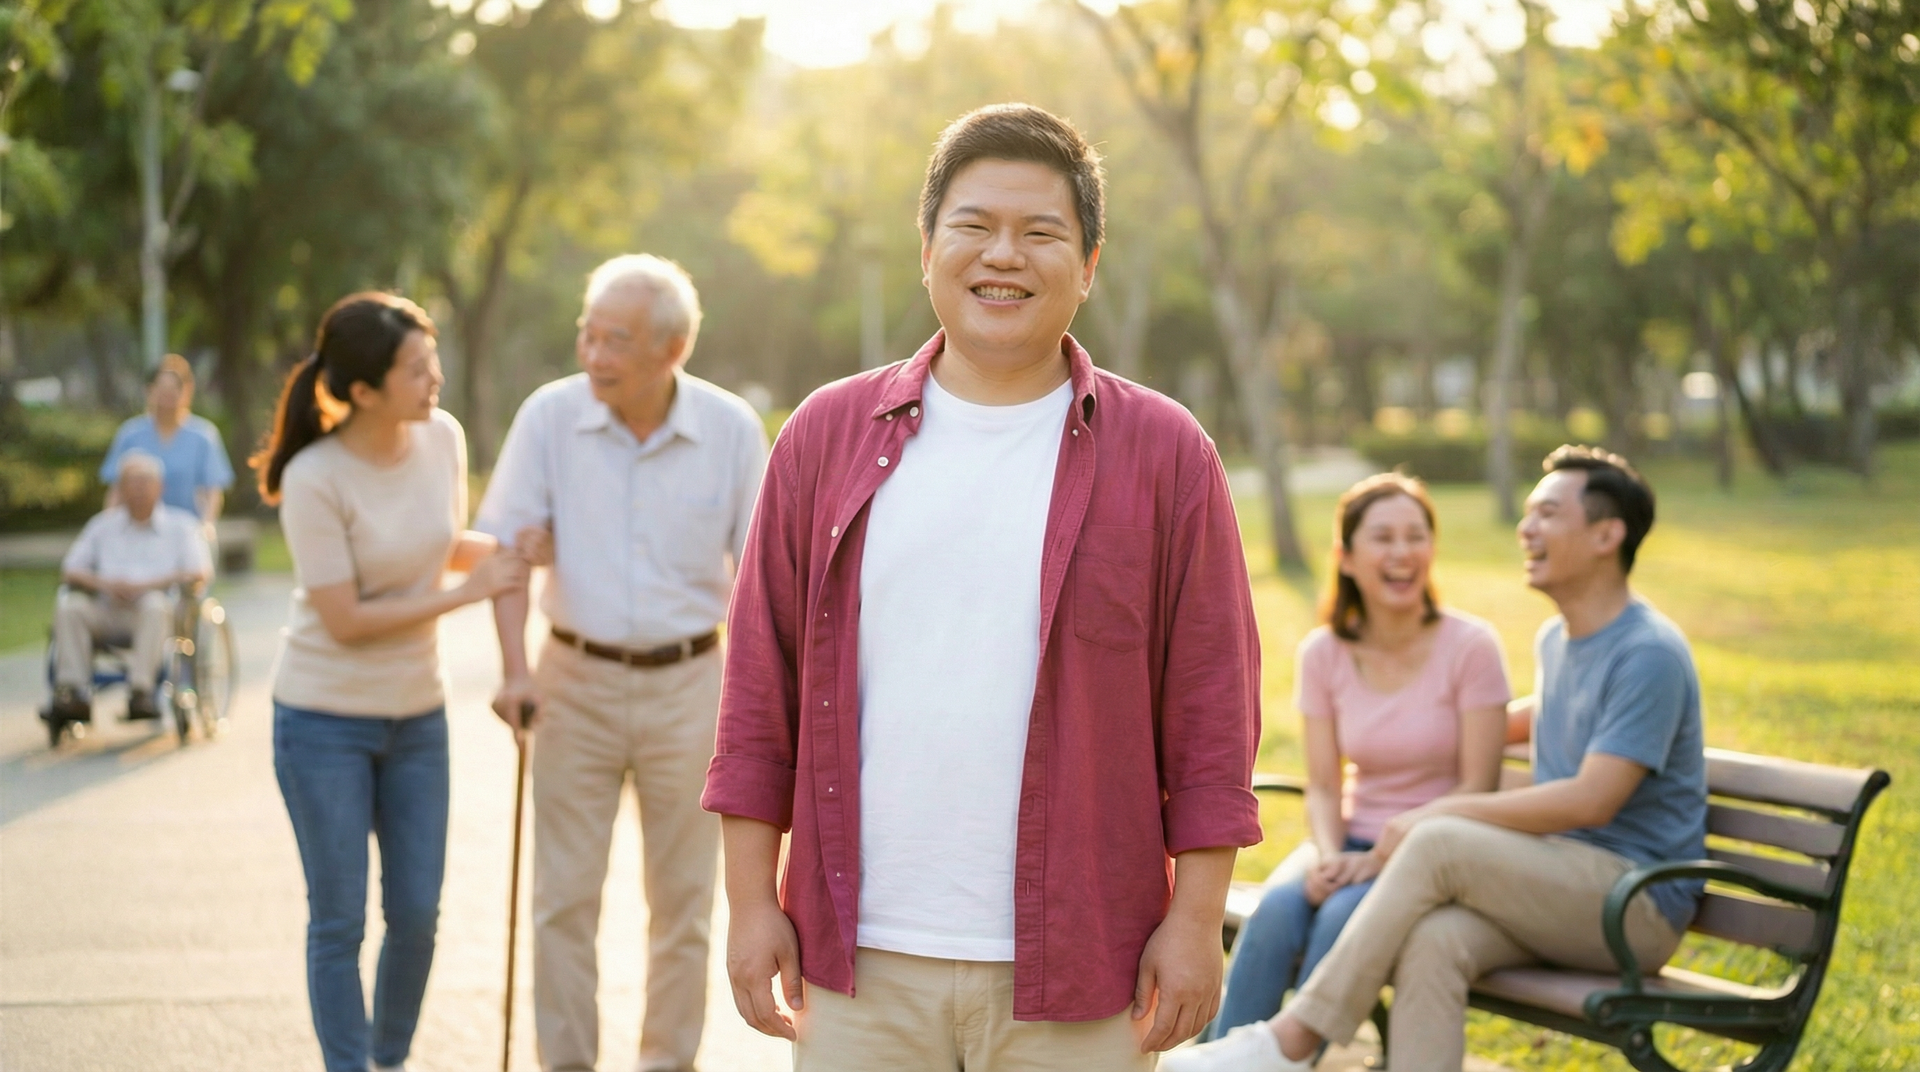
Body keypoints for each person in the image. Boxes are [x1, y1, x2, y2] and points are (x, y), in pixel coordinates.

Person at [703, 103, 1263, 1072]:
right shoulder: (825, 437)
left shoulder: (1165, 453)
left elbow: (1214, 708)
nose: (1004, 255)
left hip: (1088, 960)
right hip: (861, 961)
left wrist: (1195, 920)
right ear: (927, 250)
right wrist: (751, 904)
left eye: (1041, 232)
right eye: (974, 226)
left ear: (1088, 265)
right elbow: (759, 690)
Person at [1166, 445, 1707, 1072]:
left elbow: (1593, 799)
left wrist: (1426, 817)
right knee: (1434, 941)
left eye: (1547, 514)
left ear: (1606, 535)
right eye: (1528, 513)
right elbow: (1553, 716)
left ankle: (1291, 1041)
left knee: (1438, 841)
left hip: (1633, 902)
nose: (1525, 528)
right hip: (1563, 883)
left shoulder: (1648, 652)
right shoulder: (1559, 640)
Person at [477, 254, 768, 1072]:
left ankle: (666, 1063)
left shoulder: (730, 429)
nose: (594, 355)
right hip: (572, 681)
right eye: (588, 334)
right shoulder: (549, 416)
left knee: (684, 902)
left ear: (673, 349)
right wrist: (513, 668)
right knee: (563, 899)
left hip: (692, 684)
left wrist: (761, 703)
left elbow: (761, 580)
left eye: (617, 340)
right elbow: (507, 552)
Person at [254, 292, 529, 1072]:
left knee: (416, 915)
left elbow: (435, 544)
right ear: (364, 390)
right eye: (416, 369)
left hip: (417, 718)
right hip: (321, 721)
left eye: (432, 359)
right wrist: (467, 594)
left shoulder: (442, 438)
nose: (434, 377)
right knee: (339, 921)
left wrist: (505, 549)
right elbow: (344, 618)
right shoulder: (314, 476)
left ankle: (388, 1059)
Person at [1203, 473, 1510, 1043]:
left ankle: (1289, 1058)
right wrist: (1328, 856)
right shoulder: (1323, 653)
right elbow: (1323, 785)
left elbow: (1478, 786)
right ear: (1345, 558)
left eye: (1415, 536)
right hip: (1348, 843)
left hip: (1430, 854)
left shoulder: (1471, 647)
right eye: (1383, 537)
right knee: (1274, 914)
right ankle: (1220, 1056)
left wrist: (1375, 861)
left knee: (1340, 919)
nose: (1402, 552)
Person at [49, 451, 213, 723]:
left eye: (144, 483)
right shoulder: (102, 526)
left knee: (155, 605)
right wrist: (105, 584)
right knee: (70, 606)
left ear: (160, 487)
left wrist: (146, 585)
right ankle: (73, 692)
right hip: (106, 609)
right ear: (121, 489)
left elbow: (199, 572)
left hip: (153, 613)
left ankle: (141, 692)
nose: (138, 491)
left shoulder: (182, 526)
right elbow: (71, 570)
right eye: (131, 484)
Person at [101, 353, 235, 524]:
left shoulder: (203, 435)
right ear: (149, 390)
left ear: (186, 391)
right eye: (162, 389)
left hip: (187, 529)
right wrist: (109, 525)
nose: (167, 396)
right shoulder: (130, 434)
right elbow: (116, 490)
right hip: (138, 530)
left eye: (174, 389)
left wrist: (207, 526)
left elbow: (213, 492)